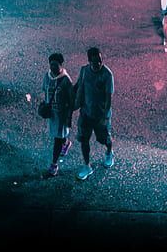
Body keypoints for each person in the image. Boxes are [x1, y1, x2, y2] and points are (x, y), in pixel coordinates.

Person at [74, 47, 114, 179]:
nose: (99, 64)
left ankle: (109, 152)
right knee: (84, 140)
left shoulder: (107, 75)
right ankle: (87, 166)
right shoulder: (84, 71)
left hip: (100, 115)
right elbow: (78, 85)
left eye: (100, 61)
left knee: (104, 139)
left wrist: (105, 116)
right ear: (89, 61)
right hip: (86, 113)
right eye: (95, 61)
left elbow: (108, 99)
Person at [40, 52, 74, 177]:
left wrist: (69, 116)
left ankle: (54, 164)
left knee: (57, 139)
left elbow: (71, 100)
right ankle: (66, 143)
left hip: (62, 115)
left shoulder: (66, 80)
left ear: (61, 65)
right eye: (51, 65)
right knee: (58, 136)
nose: (52, 68)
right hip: (52, 114)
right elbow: (45, 90)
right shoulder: (47, 76)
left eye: (55, 65)